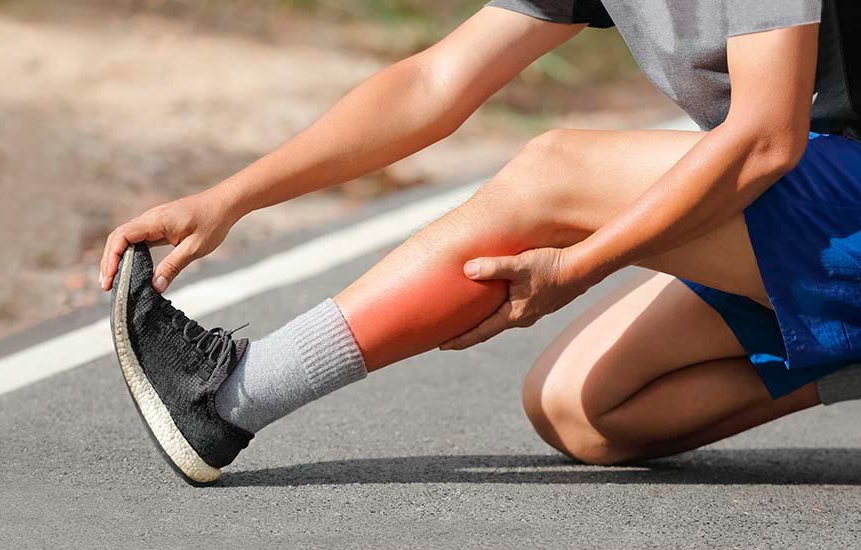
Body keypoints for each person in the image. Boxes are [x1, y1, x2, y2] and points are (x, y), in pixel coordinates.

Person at [99, 0, 861, 484]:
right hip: (820, 195)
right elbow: (435, 81)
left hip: (816, 169)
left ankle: (231, 395)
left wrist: (580, 262)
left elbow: (764, 137)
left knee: (554, 173)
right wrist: (232, 197)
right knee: (582, 410)